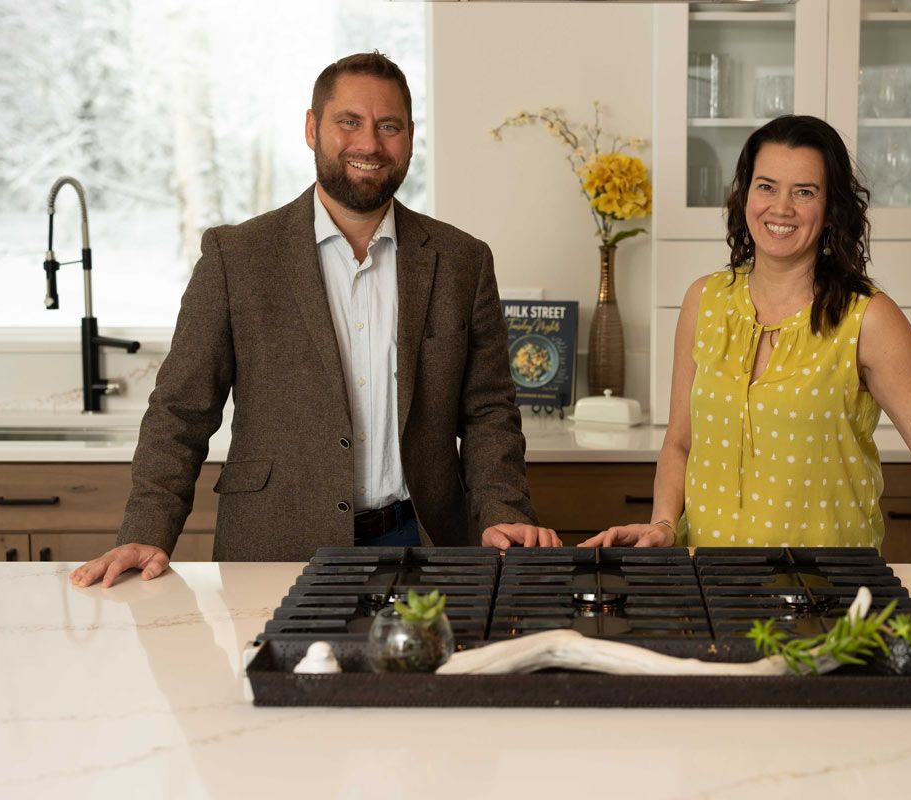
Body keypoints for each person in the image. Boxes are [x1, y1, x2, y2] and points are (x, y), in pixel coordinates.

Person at [581, 116, 911, 608]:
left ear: (831, 206)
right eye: (766, 186)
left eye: (804, 191)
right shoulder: (704, 300)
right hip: (709, 583)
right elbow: (680, 441)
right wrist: (664, 524)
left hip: (828, 589)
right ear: (744, 195)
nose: (781, 208)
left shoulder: (870, 319)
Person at [72, 52, 558, 589]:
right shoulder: (238, 256)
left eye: (388, 126)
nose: (369, 144)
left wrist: (504, 510)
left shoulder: (462, 260)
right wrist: (146, 530)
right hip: (275, 545)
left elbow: (489, 410)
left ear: (410, 137)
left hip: (423, 543)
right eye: (348, 121)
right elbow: (180, 410)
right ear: (312, 128)